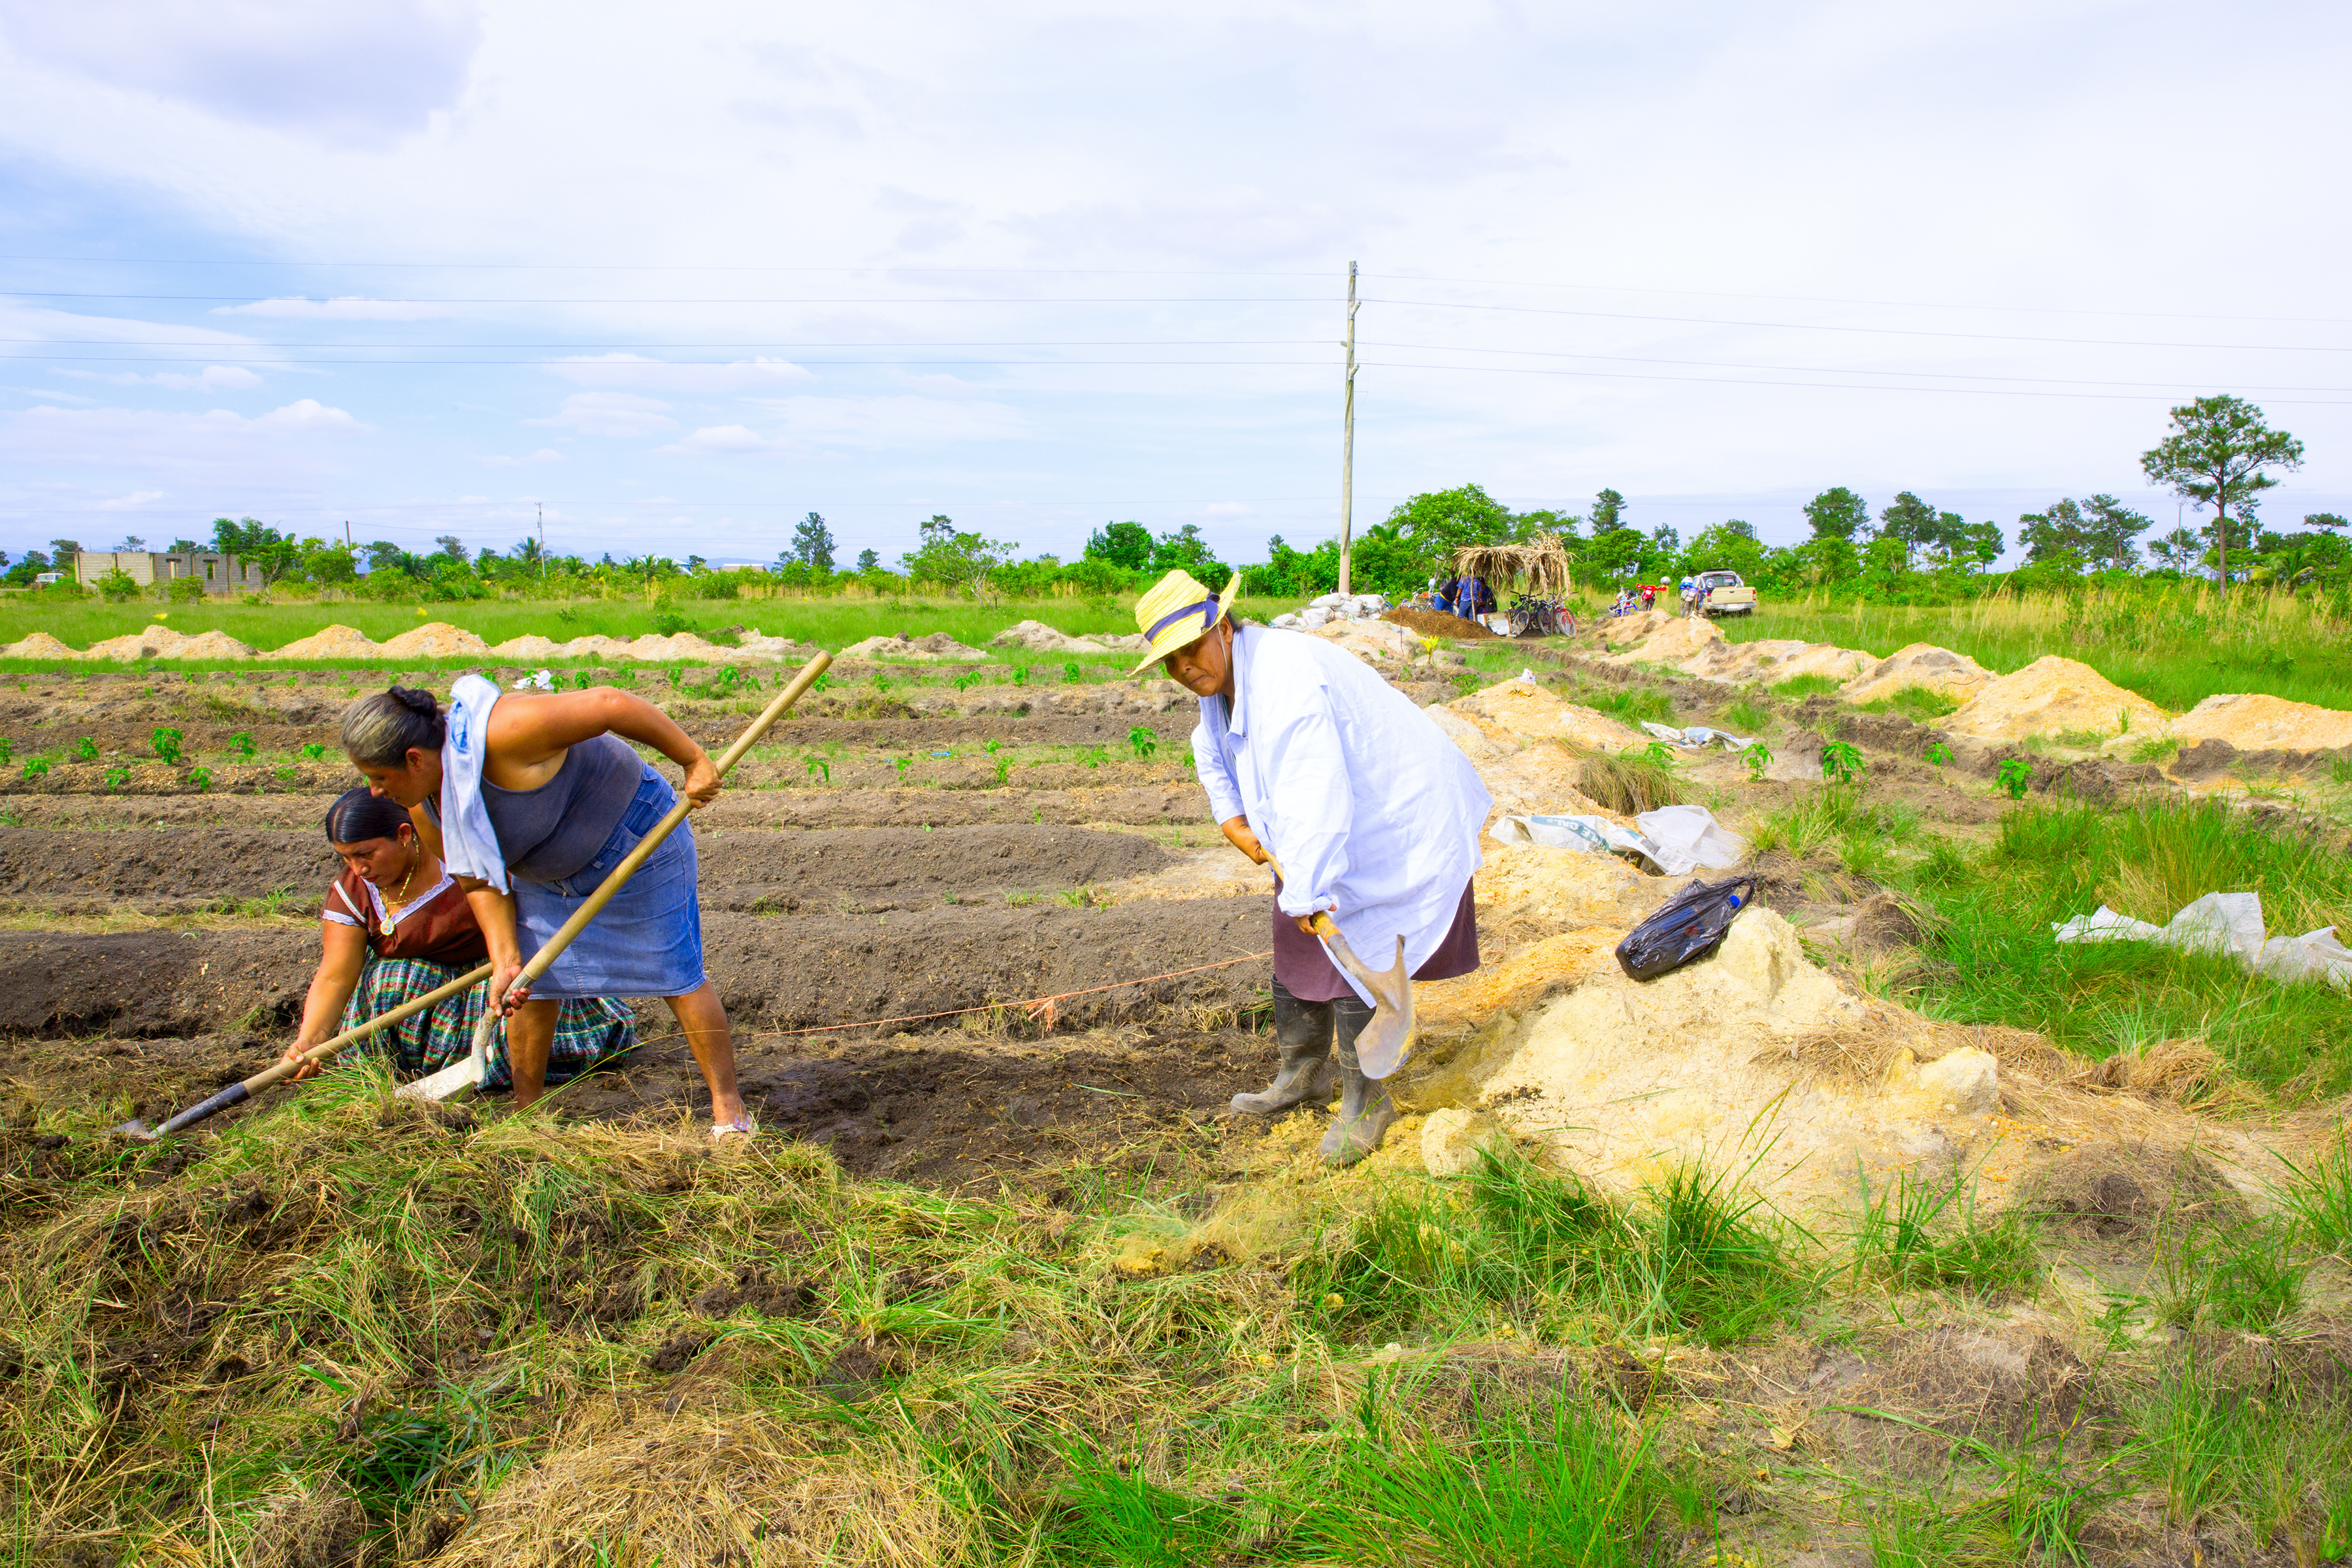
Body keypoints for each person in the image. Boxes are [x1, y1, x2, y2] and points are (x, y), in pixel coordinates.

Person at [1135, 568, 1490, 1166]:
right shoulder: (1227, 685)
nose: (1183, 669)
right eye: (1169, 662)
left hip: (1391, 816)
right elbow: (1213, 750)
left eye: (1188, 651)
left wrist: (1312, 889)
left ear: (1221, 627)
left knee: (1357, 938)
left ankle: (1365, 1101)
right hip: (1322, 820)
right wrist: (1233, 821)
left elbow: (1316, 789)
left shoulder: (1284, 679)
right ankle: (1301, 1076)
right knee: (1297, 941)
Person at [340, 680, 754, 1137]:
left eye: (378, 777)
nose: (374, 791)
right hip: (542, 876)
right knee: (531, 985)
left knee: (675, 972)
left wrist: (694, 761)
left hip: (635, 840)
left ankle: (728, 1109)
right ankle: (528, 1117)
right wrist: (505, 960)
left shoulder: (506, 732)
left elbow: (609, 703)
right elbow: (477, 879)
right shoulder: (425, 806)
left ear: (415, 760)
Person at [283, 789, 632, 1089]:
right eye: (345, 857)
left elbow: (530, 927)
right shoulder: (352, 889)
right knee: (392, 978)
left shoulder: (462, 861)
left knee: (521, 1010)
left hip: (492, 980)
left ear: (404, 835)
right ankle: (412, 1062)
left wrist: (508, 967)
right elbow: (335, 974)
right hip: (413, 999)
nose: (358, 868)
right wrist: (311, 1041)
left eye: (366, 854)